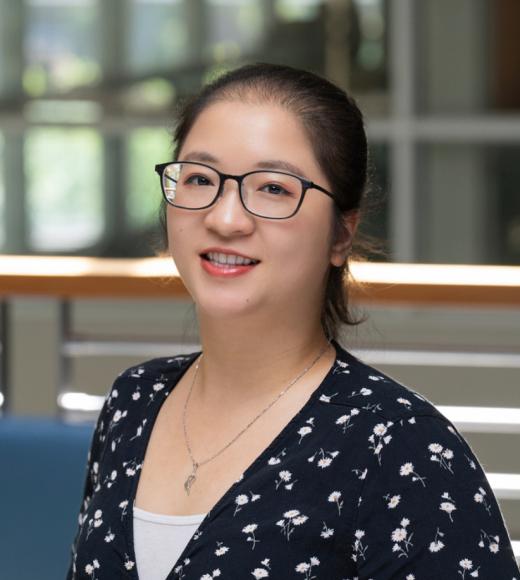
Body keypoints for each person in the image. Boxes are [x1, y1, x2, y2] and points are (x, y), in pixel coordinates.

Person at [66, 62, 519, 579]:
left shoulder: (402, 450)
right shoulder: (134, 401)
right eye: (198, 178)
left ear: (341, 234)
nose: (225, 218)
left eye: (273, 188)